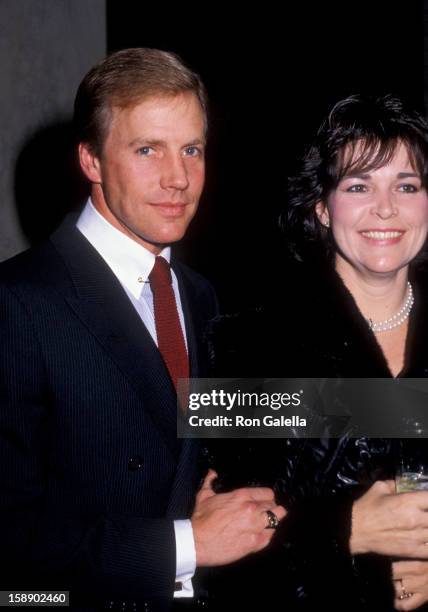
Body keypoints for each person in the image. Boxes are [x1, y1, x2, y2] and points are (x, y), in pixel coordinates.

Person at [0, 48, 285, 612]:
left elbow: (257, 417)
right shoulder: (19, 303)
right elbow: (13, 565)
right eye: (147, 149)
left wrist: (407, 408)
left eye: (192, 150)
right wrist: (188, 543)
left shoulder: (200, 296)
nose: (178, 178)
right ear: (91, 160)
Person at [207, 94, 428, 611]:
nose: (386, 208)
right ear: (322, 208)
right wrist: (343, 530)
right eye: (358, 186)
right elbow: (213, 545)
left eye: (407, 185)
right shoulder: (244, 345)